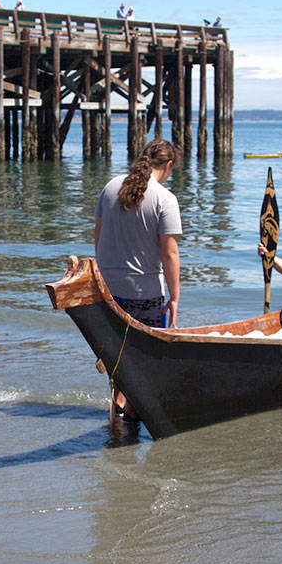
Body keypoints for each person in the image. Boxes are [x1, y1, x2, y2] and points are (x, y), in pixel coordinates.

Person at [94, 139, 181, 418]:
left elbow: (98, 239)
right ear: (168, 166)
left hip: (107, 288)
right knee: (143, 361)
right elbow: (169, 254)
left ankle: (118, 409)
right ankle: (131, 414)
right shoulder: (165, 199)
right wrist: (175, 297)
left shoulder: (109, 188)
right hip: (143, 291)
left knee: (119, 356)